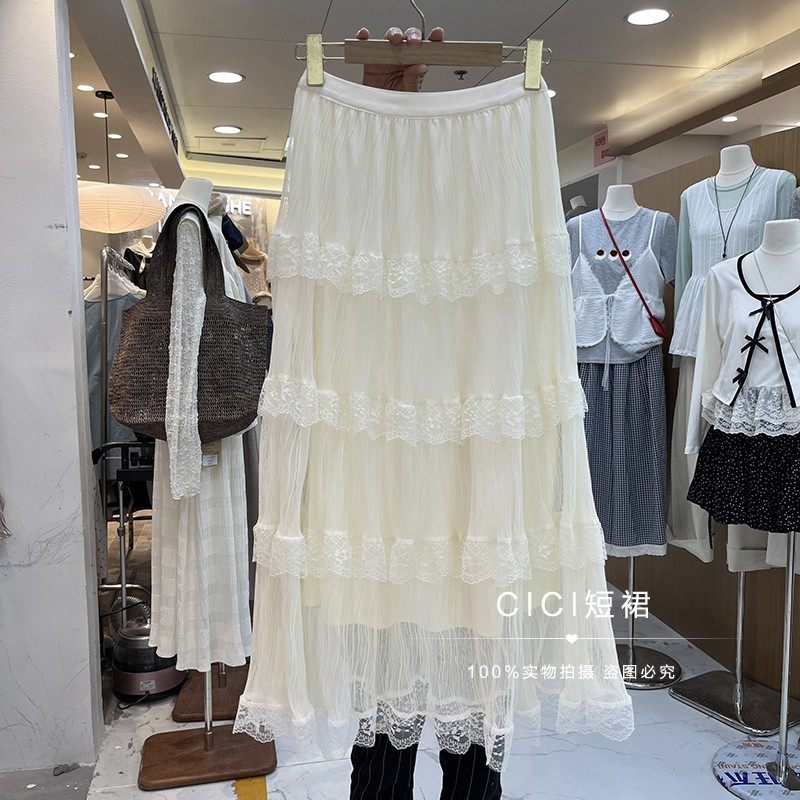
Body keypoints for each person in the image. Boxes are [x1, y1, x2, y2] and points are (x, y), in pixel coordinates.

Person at [346, 24, 503, 800]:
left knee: (475, 694)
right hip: (388, 496)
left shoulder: (494, 234)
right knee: (388, 698)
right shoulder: (366, 252)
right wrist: (385, 113)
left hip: (476, 487)